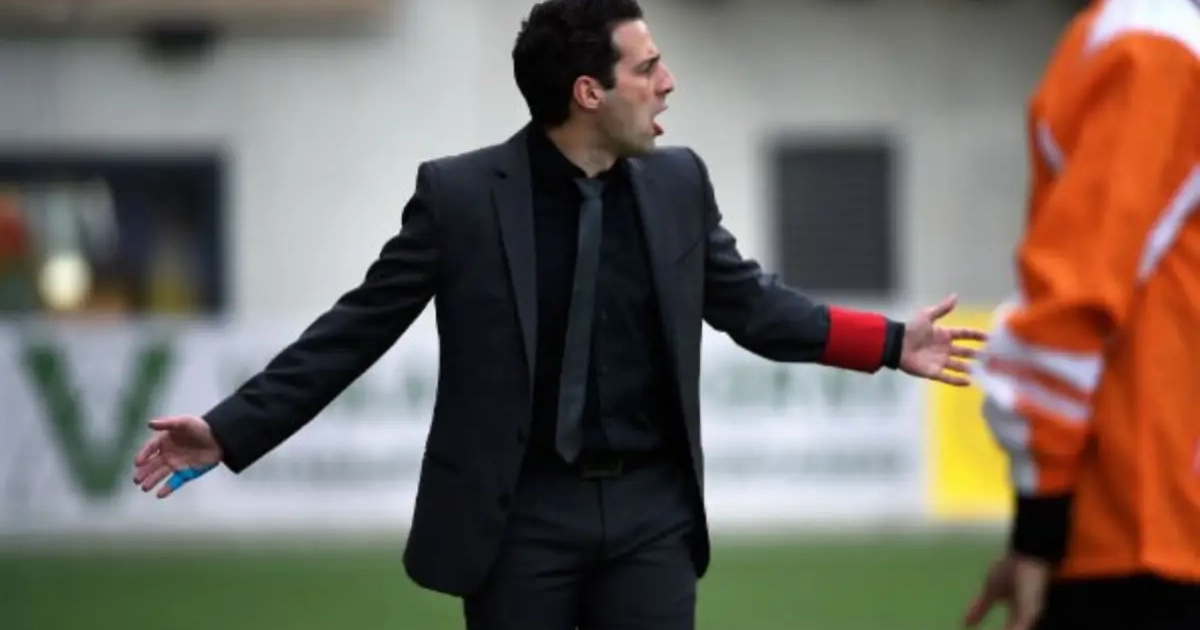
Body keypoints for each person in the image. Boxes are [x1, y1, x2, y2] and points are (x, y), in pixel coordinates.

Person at [132, 1, 986, 628]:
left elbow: (753, 307)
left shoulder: (679, 183)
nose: (667, 83)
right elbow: (356, 329)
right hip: (518, 521)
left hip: (653, 513)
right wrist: (229, 429)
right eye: (647, 68)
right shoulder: (461, 198)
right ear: (588, 91)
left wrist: (888, 342)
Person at [961, 1, 1200, 629]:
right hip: (1147, 536)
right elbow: (1075, 301)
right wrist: (1041, 534)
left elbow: (1072, 301)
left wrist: (1038, 530)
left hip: (1150, 531)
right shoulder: (1157, 47)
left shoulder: (1154, 44)